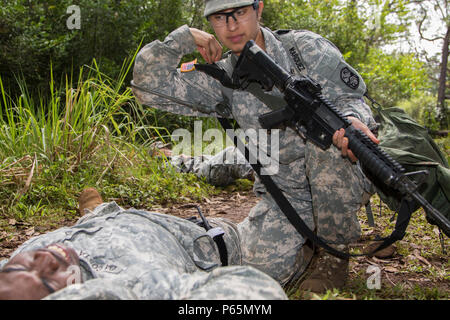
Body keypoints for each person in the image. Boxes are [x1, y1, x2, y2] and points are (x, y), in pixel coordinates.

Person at [132, 0, 379, 293]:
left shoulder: (303, 49)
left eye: (239, 13)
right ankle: (308, 241)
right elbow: (147, 87)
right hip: (288, 195)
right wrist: (183, 37)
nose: (232, 25)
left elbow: (351, 99)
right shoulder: (222, 78)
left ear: (258, 10)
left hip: (340, 171)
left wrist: (353, 120)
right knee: (256, 275)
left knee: (323, 141)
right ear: (210, 23)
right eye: (220, 18)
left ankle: (334, 256)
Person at [0, 188, 287, 300]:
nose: (46, 261)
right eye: (49, 283)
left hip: (97, 227)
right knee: (284, 230)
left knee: (95, 222)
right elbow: (257, 297)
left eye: (22, 267)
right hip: (197, 236)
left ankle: (97, 211)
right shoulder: (137, 289)